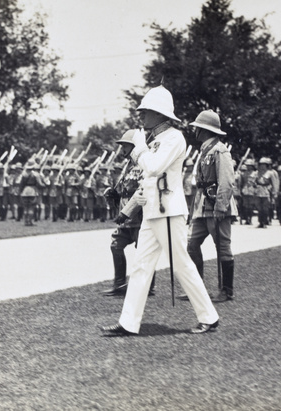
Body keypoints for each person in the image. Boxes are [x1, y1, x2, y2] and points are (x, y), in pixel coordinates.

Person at [100, 85, 219, 336]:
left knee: (181, 265)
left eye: (145, 111)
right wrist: (129, 210)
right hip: (152, 211)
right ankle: (128, 323)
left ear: (160, 114)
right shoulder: (154, 140)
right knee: (142, 266)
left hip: (168, 212)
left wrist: (140, 147)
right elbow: (146, 179)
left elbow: (153, 167)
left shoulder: (174, 138)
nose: (140, 115)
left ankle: (209, 316)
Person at [185, 109, 237, 303]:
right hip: (203, 207)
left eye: (197, 128)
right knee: (191, 245)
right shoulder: (206, 150)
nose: (195, 131)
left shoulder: (220, 150)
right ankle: (197, 287)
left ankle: (226, 290)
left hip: (217, 206)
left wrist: (221, 207)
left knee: (223, 247)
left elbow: (226, 180)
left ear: (205, 130)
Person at [102, 130, 146, 297]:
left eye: (125, 145)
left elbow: (141, 190)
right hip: (125, 215)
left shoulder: (142, 163)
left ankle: (148, 286)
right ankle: (120, 284)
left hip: (138, 216)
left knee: (142, 251)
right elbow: (124, 189)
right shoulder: (127, 166)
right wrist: (114, 194)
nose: (122, 149)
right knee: (116, 245)